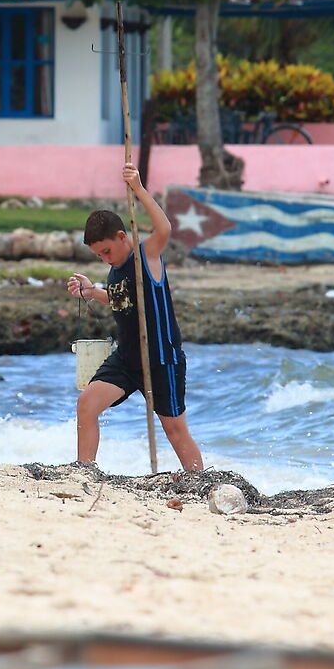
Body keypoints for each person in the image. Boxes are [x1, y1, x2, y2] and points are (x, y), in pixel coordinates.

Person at [66, 164, 204, 471]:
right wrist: (91, 291)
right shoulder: (114, 269)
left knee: (174, 429)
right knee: (87, 404)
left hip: (160, 358)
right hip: (127, 359)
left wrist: (138, 188)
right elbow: (120, 299)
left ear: (120, 236)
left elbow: (165, 229)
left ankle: (199, 480)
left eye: (105, 251)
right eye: (98, 256)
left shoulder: (146, 256)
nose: (104, 259)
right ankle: (83, 471)